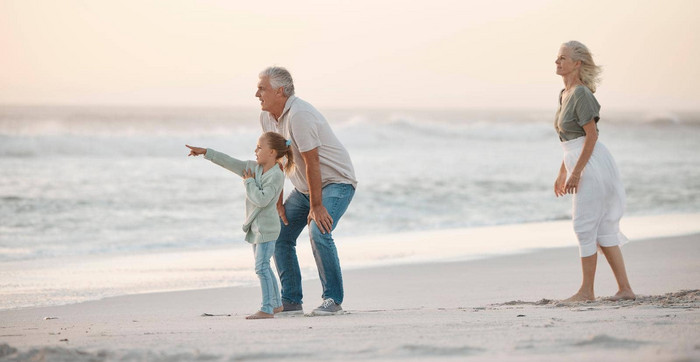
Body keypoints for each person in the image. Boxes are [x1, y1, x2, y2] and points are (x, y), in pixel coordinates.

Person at [255, 66, 357, 316]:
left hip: (336, 182)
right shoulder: (267, 118)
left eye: (262, 88)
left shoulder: (300, 115)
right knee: (280, 234)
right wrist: (277, 203)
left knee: (319, 229)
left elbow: (312, 162)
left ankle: (333, 299)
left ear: (280, 91)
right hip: (304, 188)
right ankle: (291, 300)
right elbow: (274, 161)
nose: (257, 93)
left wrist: (316, 205)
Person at [553, 41, 635, 302]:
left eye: (563, 58)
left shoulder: (580, 94)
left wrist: (576, 172)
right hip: (578, 160)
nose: (557, 62)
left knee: (584, 225)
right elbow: (570, 141)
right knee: (601, 229)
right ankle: (625, 290)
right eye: (557, 58)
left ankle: (586, 292)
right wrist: (563, 172)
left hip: (593, 165)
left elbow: (591, 136)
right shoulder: (564, 93)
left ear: (577, 63)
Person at [186, 131, 294, 319]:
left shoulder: (276, 175)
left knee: (261, 267)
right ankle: (276, 305)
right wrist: (206, 152)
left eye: (260, 147)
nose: (255, 150)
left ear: (272, 152)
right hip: (255, 229)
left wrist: (249, 182)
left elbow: (262, 200)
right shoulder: (254, 168)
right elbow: (230, 161)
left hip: (267, 229)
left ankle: (267, 308)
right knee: (264, 267)